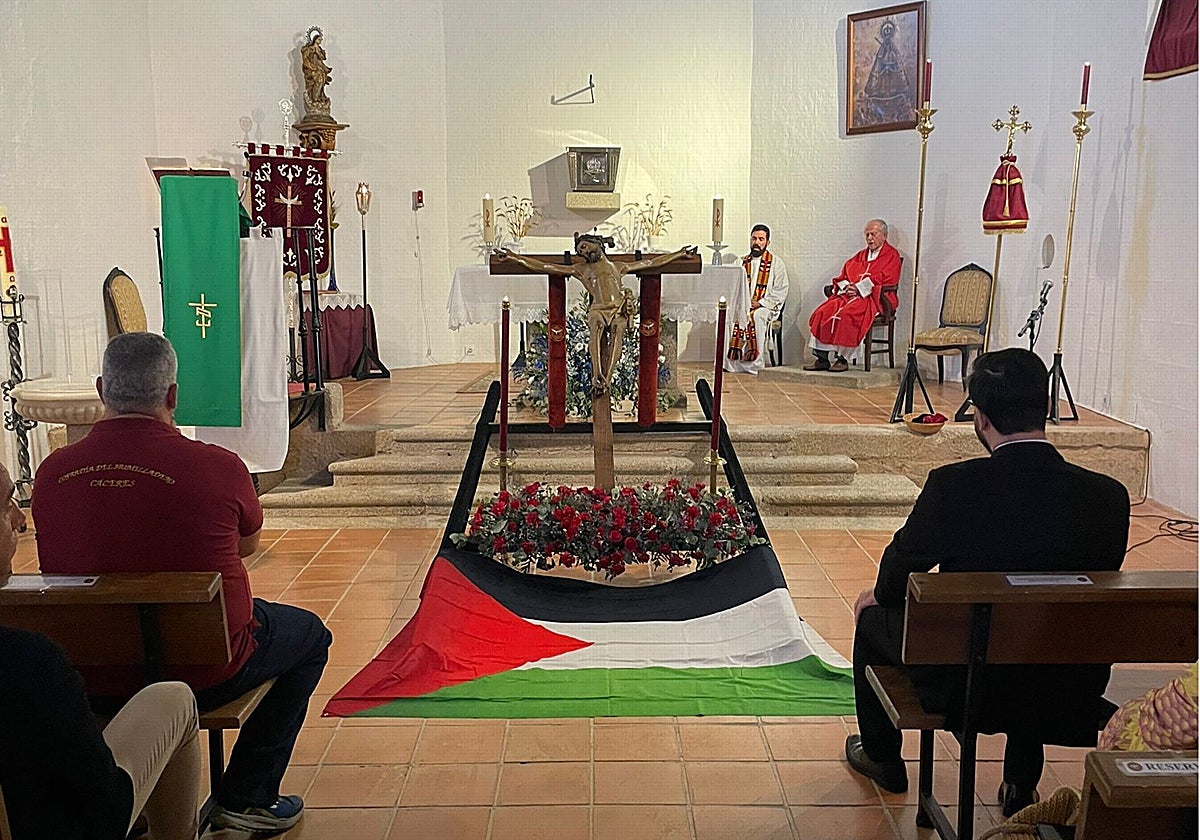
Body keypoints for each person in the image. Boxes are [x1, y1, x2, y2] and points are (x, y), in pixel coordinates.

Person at [32, 332, 332, 834]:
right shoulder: (218, 466)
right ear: (172, 396)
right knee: (310, 636)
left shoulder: (52, 472)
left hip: (91, 673)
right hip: (206, 668)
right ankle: (248, 796)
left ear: (102, 389)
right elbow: (245, 547)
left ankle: (130, 790)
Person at [844, 348, 1130, 817]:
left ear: (980, 417)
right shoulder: (1107, 498)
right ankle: (1020, 782)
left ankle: (883, 757)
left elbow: (898, 571)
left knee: (873, 616)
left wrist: (879, 594)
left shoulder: (954, 486)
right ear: (1044, 407)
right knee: (1038, 628)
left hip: (968, 688)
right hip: (1066, 689)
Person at [0, 461, 201, 840]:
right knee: (173, 696)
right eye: (7, 502)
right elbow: (103, 803)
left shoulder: (57, 469)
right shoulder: (28, 660)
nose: (19, 520)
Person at [498, 233, 697, 396]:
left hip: (617, 307)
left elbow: (651, 263)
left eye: (584, 247)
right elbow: (546, 266)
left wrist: (679, 254)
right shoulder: (581, 269)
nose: (582, 252)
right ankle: (597, 374)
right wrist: (515, 258)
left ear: (597, 244)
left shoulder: (618, 266)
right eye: (579, 250)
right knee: (596, 328)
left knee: (619, 329)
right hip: (598, 309)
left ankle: (607, 379)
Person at [805, 219, 901, 372]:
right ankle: (821, 357)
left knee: (847, 315)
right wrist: (847, 286)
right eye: (867, 235)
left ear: (884, 235)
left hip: (873, 299)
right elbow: (844, 275)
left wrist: (859, 288)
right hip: (849, 297)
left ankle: (842, 359)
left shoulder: (892, 256)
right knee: (823, 312)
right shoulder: (859, 256)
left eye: (873, 234)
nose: (869, 238)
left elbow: (888, 279)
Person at [725, 224, 790, 375]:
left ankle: (754, 364)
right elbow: (731, 287)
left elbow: (781, 289)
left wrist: (759, 303)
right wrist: (742, 302)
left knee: (757, 316)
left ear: (768, 242)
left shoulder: (776, 264)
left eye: (761, 239)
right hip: (742, 306)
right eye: (754, 238)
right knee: (728, 316)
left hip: (763, 307)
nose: (757, 242)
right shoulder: (740, 263)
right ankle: (731, 364)